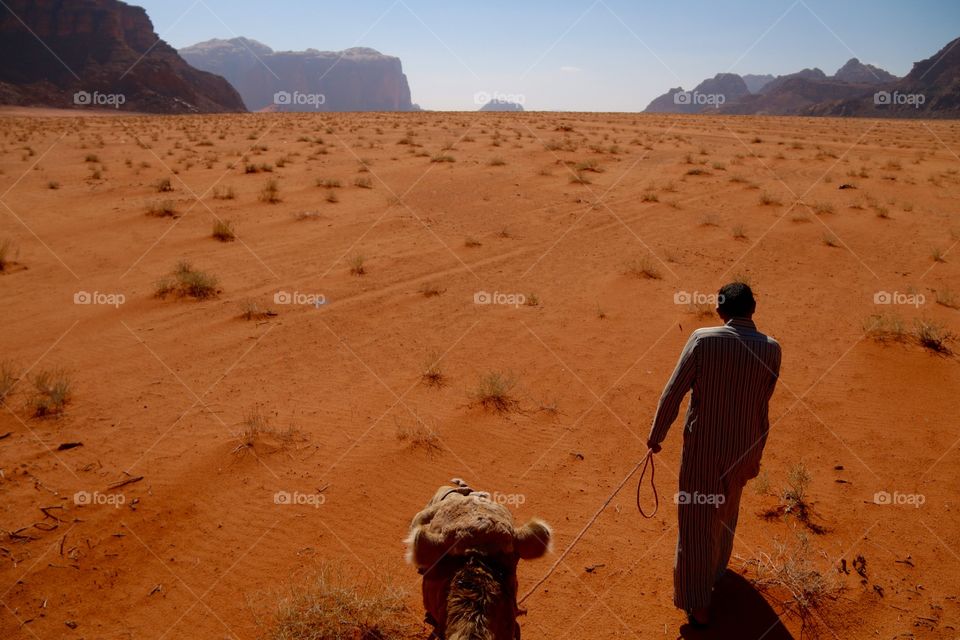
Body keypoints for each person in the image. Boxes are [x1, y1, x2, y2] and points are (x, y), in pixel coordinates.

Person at [646, 282, 781, 627]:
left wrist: (656, 437)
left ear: (720, 310)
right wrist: (756, 455)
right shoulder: (771, 349)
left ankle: (698, 605)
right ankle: (717, 572)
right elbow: (761, 407)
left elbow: (673, 392)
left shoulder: (703, 340)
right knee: (725, 511)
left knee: (695, 523)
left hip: (704, 451)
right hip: (744, 450)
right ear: (754, 308)